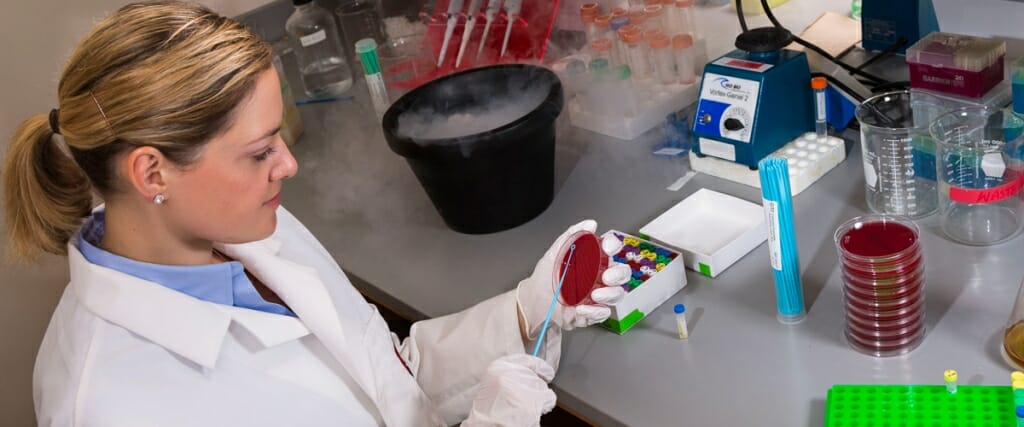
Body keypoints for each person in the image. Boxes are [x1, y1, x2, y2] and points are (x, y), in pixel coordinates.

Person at [2, 2, 631, 426]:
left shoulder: (242, 230)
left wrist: (520, 314)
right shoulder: (116, 405)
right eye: (257, 151)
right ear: (151, 173)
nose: (288, 165)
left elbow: (384, 371)